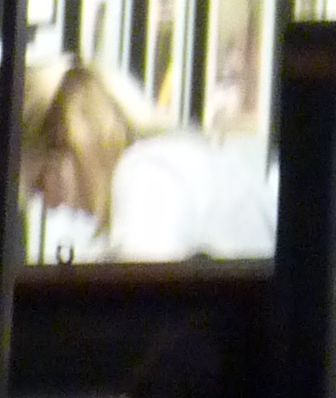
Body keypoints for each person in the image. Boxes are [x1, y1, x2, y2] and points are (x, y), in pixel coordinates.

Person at [20, 62, 275, 260]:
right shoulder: (183, 159)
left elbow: (142, 297)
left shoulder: (146, 174)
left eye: (41, 183)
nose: (51, 205)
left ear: (71, 139)